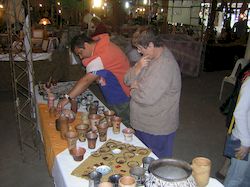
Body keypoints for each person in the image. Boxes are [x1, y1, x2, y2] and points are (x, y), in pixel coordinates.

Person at [124, 26, 181, 158]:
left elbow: (146, 97)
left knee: (155, 165)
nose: (138, 51)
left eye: (140, 48)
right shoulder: (149, 57)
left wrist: (133, 89)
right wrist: (137, 67)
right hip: (145, 125)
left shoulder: (164, 65)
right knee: (143, 162)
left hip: (156, 128)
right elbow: (126, 79)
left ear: (150, 45)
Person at [57, 33, 131, 127]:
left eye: (80, 52)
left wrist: (67, 98)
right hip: (115, 93)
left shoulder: (102, 54)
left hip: (121, 95)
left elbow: (86, 81)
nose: (80, 57)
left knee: (122, 124)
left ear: (86, 45)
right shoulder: (102, 46)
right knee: (116, 122)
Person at [223, 66, 250, 187]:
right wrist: (246, 142)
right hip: (242, 141)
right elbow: (240, 113)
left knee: (246, 178)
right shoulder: (249, 83)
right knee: (235, 178)